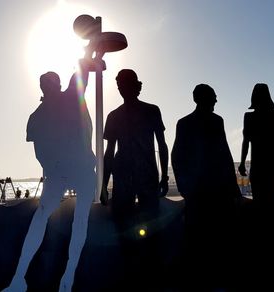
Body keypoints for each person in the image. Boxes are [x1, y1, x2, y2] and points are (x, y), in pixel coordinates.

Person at [6, 59, 96, 292]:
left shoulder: (46, 110)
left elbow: (83, 70)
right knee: (57, 218)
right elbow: (41, 152)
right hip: (68, 171)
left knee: (74, 219)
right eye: (47, 85)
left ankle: (63, 279)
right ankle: (23, 278)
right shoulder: (42, 113)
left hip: (72, 170)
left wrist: (92, 52)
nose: (49, 87)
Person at [101, 69, 169, 289]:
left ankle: (149, 276)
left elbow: (162, 144)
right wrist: (103, 183)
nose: (122, 88)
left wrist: (165, 176)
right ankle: (135, 276)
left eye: (125, 84)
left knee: (151, 230)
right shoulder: (114, 116)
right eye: (119, 84)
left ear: (135, 86)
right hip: (126, 178)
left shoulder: (151, 111)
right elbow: (109, 153)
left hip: (146, 176)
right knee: (126, 231)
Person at [171, 84, 241, 289]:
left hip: (202, 191)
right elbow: (225, 155)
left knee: (200, 237)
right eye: (213, 97)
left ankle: (199, 279)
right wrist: (233, 186)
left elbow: (177, 156)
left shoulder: (186, 123)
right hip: (212, 190)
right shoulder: (214, 122)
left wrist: (184, 186)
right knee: (213, 237)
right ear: (202, 99)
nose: (216, 100)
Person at [238, 83, 274, 207]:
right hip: (273, 165)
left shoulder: (249, 117)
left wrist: (243, 163)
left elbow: (246, 141)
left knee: (259, 202)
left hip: (258, 165)